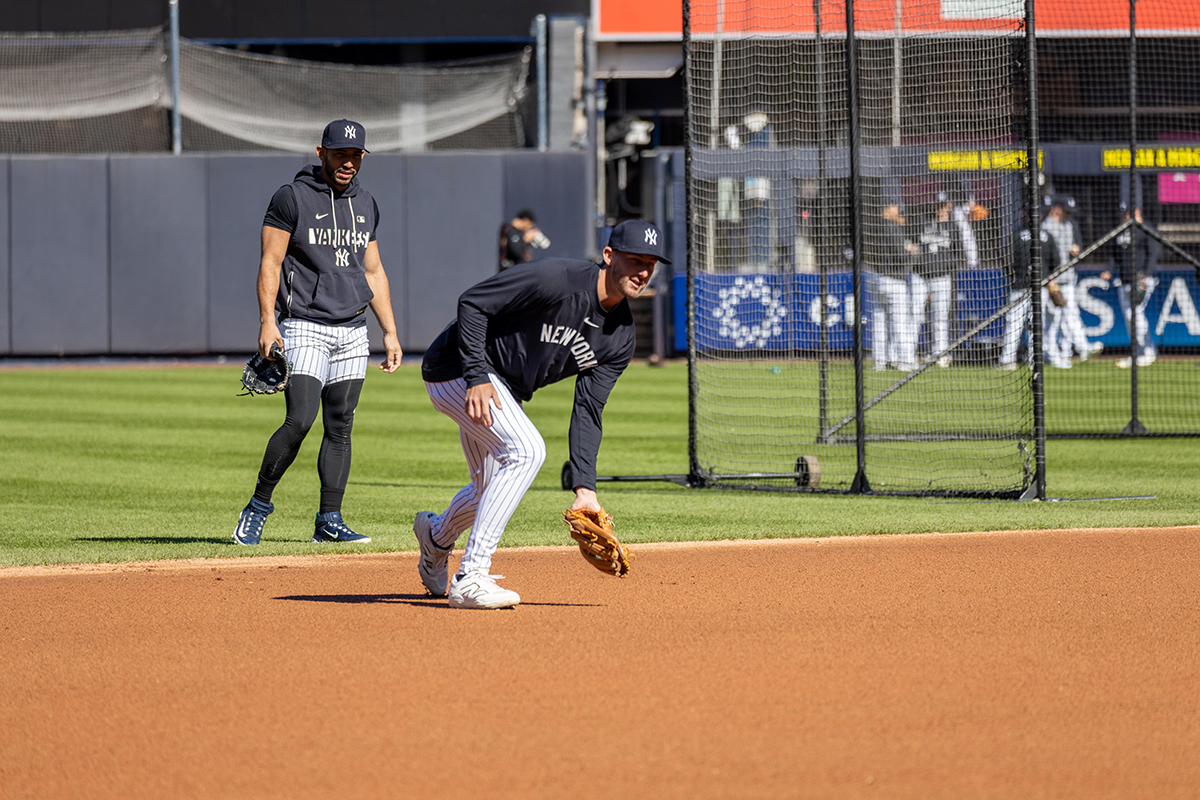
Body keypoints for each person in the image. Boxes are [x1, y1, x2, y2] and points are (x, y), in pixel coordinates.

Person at [413, 219, 668, 609]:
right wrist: (476, 375)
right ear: (609, 255)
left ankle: (435, 538)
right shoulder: (559, 279)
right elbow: (473, 303)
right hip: (455, 368)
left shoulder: (620, 337)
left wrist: (586, 490)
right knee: (527, 450)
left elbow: (588, 410)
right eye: (635, 260)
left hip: (502, 388)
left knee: (490, 489)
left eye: (650, 263)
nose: (643, 272)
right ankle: (472, 576)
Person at [233, 119, 403, 546]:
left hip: (352, 330)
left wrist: (390, 331)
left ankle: (329, 519)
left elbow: (373, 269)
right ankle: (257, 506)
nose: (348, 162)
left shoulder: (366, 203)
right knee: (300, 419)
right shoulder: (291, 198)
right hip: (304, 324)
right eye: (340, 154)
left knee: (340, 426)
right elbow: (270, 261)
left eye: (355, 155)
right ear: (321, 152)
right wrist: (267, 321)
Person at [1041, 194, 1101, 364]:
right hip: (1051, 279)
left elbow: (1074, 248)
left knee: (1071, 314)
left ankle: (1080, 347)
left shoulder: (1068, 225)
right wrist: (1049, 280)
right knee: (1052, 319)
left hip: (1067, 277)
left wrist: (1076, 249)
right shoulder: (1045, 227)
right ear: (1057, 209)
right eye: (1066, 211)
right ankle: (1050, 353)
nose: (1069, 214)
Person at [1103, 204, 1160, 368]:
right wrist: (1109, 270)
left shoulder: (1146, 229)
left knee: (1135, 314)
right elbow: (1115, 254)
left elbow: (1153, 253)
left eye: (1127, 214)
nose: (1124, 217)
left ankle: (1148, 350)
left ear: (1136, 212)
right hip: (1124, 279)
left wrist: (1146, 276)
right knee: (1129, 318)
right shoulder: (1121, 229)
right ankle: (1138, 352)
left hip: (1141, 279)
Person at [912, 193, 965, 367]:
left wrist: (945, 266)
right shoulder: (923, 221)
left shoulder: (953, 226)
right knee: (915, 315)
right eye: (938, 206)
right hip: (921, 277)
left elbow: (959, 253)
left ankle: (940, 354)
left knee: (940, 318)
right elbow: (912, 244)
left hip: (942, 277)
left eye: (943, 206)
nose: (940, 209)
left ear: (948, 206)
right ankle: (908, 355)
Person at [999, 225, 1059, 370]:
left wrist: (1015, 276)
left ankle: (1008, 360)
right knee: (1036, 324)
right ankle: (1035, 359)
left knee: (1014, 324)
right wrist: (1047, 277)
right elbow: (1056, 262)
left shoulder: (1017, 234)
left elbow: (1007, 261)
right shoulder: (1046, 235)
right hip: (1040, 286)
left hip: (1020, 286)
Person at [869, 203, 918, 371]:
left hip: (878, 278)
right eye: (897, 209)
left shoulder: (875, 227)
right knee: (900, 322)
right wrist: (911, 251)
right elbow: (901, 254)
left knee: (880, 322)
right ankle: (905, 360)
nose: (901, 215)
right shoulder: (892, 227)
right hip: (894, 280)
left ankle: (881, 362)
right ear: (889, 209)